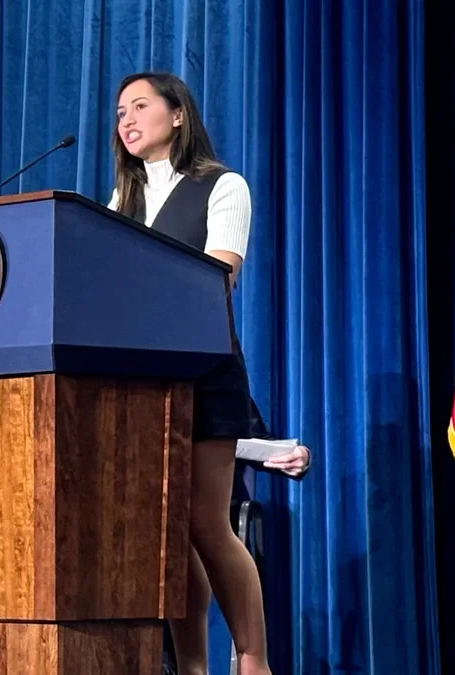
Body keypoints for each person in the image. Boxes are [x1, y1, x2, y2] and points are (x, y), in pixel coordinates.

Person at [109, 71, 303, 675]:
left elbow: (218, 278)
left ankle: (253, 659)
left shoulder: (222, 186)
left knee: (204, 522)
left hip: (204, 369)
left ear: (178, 116)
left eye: (140, 106)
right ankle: (189, 665)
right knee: (167, 531)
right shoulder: (123, 199)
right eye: (119, 113)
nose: (127, 120)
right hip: (140, 380)